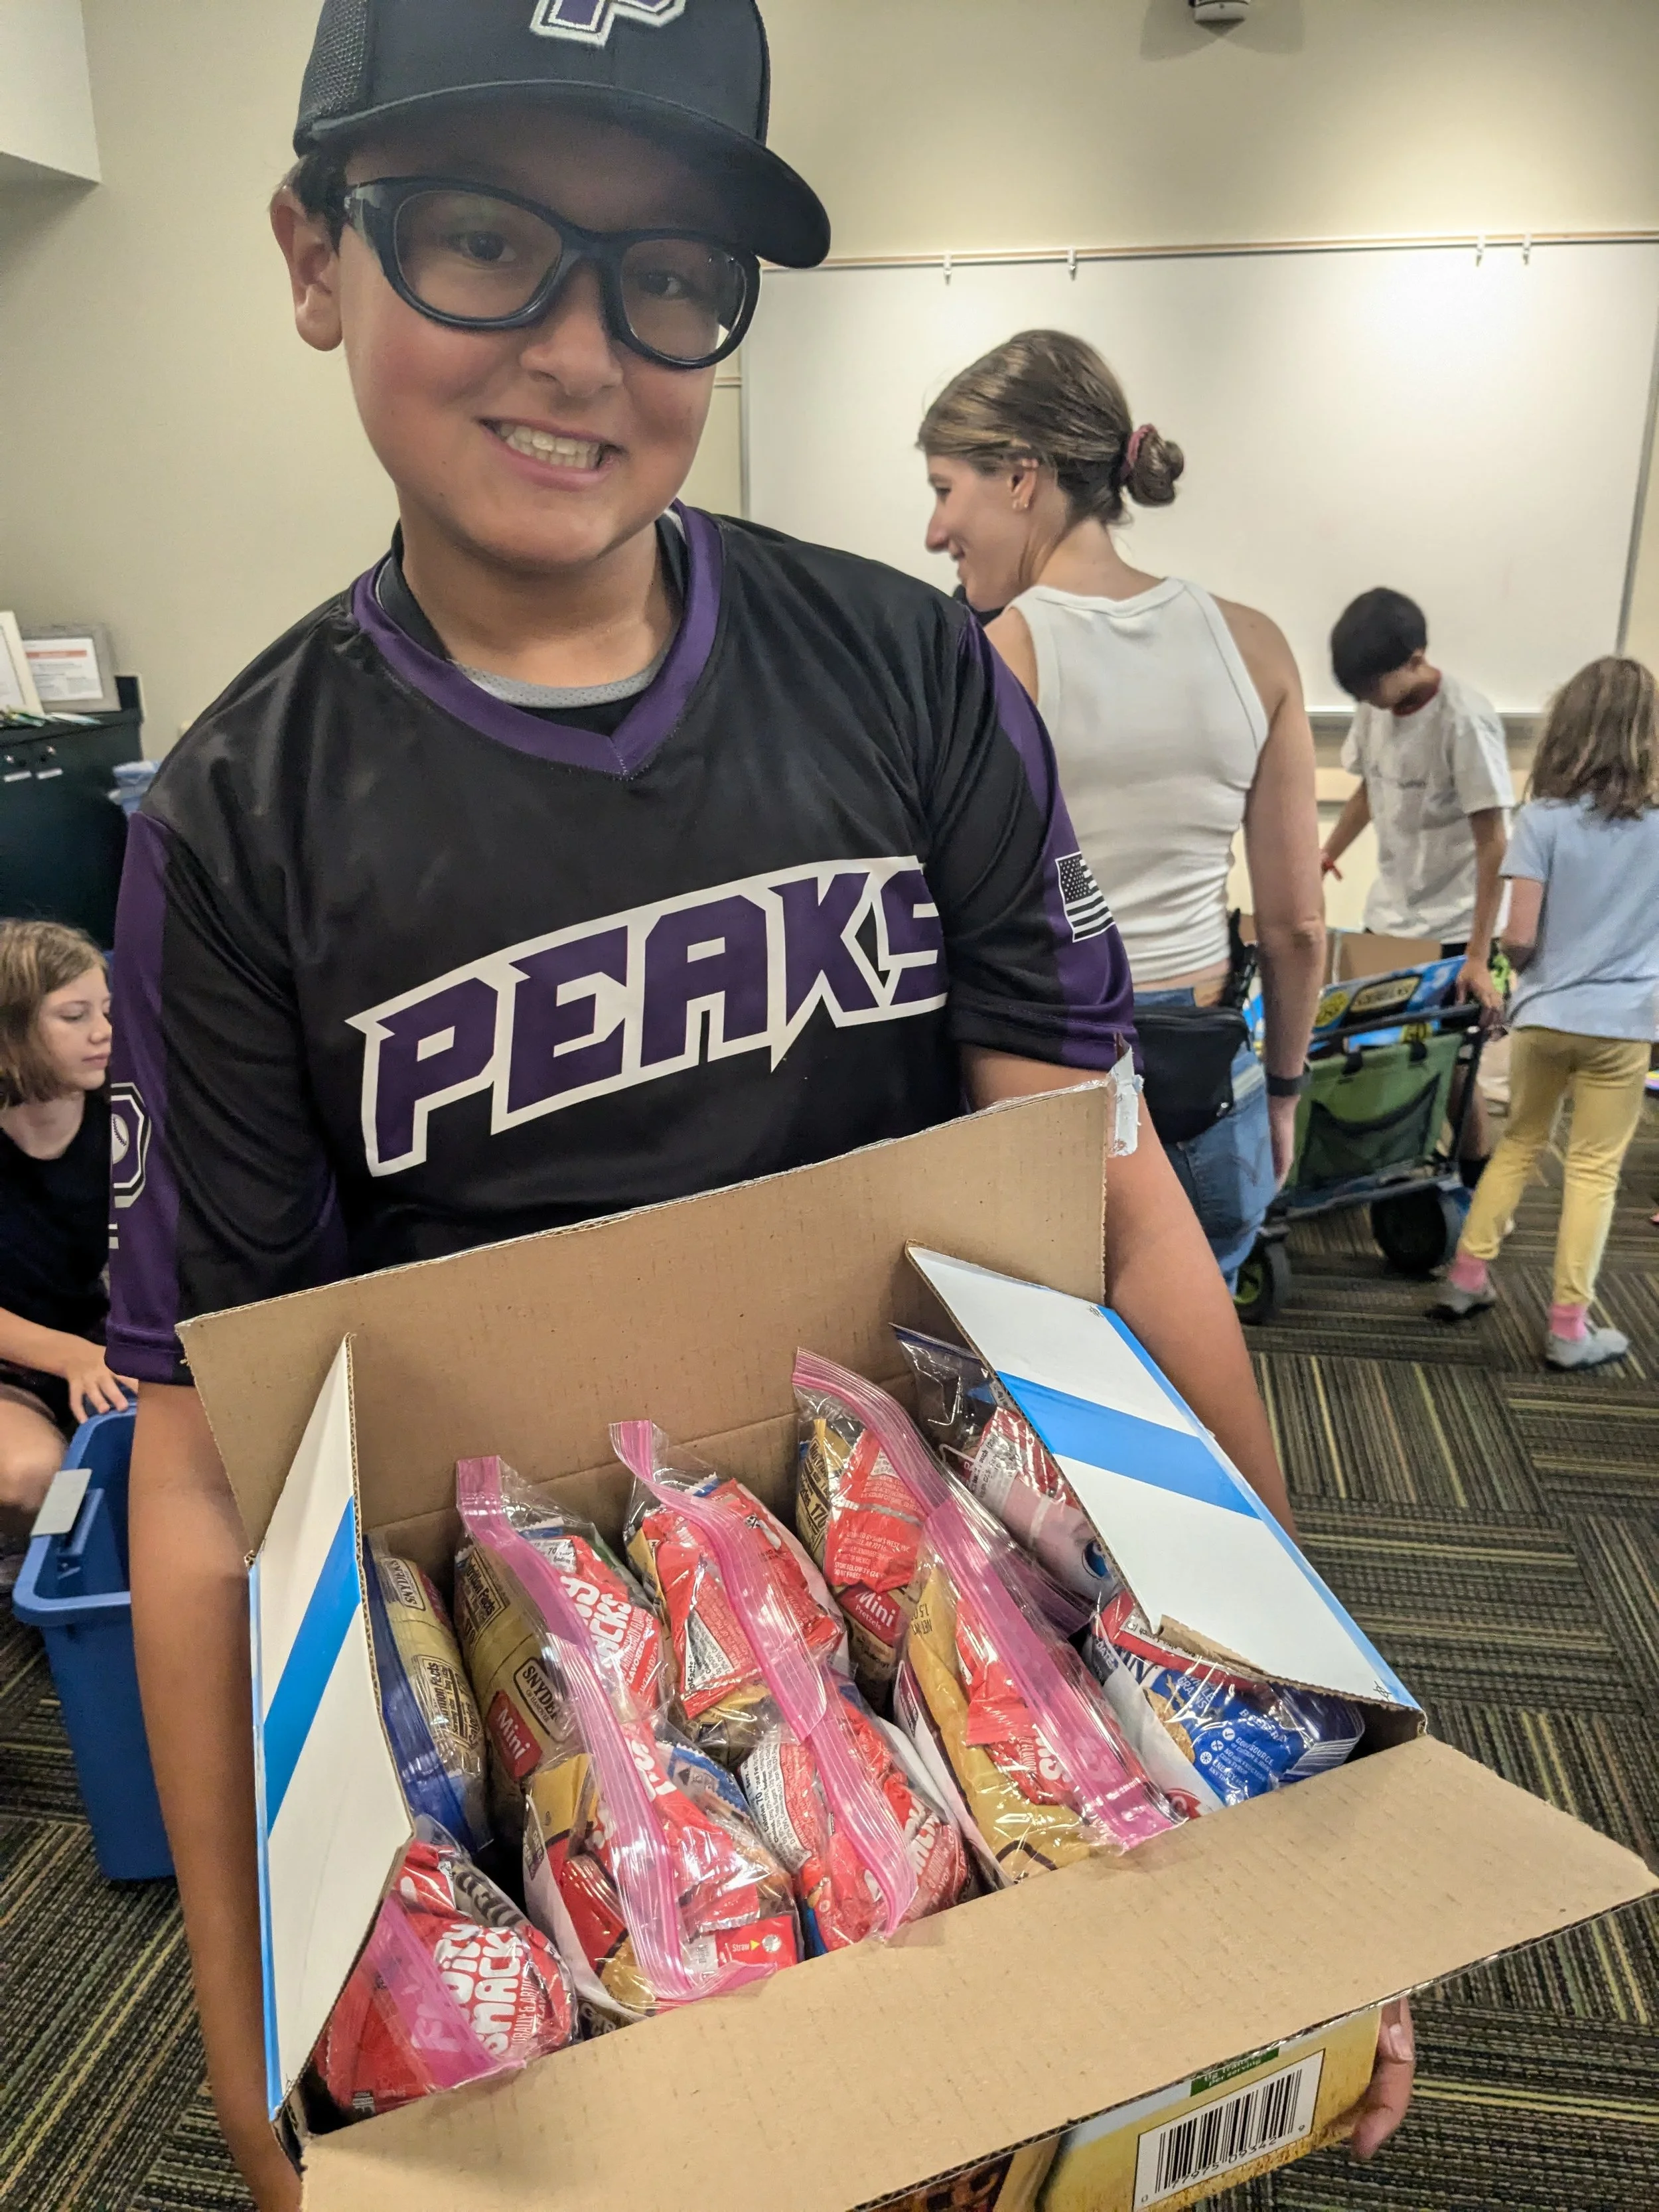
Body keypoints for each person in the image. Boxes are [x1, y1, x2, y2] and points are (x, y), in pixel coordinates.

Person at [105, 7, 1409, 2201]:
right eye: (483, 239)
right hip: (555, 1717)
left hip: (965, 1653)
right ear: (314, 255)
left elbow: (1114, 1230)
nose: (584, 348)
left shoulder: (900, 677)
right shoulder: (242, 822)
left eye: (672, 271)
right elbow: (205, 1464)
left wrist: (1326, 1820)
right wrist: (252, 2063)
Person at [919, 331, 1326, 1288]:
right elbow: (1299, 924)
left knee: (1056, 1410)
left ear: (1022, 478)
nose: (937, 531)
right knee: (1199, 1384)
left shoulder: (990, 661)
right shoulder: (1256, 644)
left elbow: (942, 921)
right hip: (1208, 1075)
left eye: (945, 490)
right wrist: (1283, 1093)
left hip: (1049, 1095)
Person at [1432, 657, 1659, 1366]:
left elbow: (1519, 936)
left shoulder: (1542, 818)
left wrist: (1536, 976)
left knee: (1522, 1142)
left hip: (1544, 1016)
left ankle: (1466, 1277)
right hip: (1623, 1026)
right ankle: (1568, 1328)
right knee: (1592, 1171)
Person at [1324, 587, 1512, 1179]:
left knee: (1453, 1060)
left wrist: (1478, 957)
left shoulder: (1465, 720)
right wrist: (1326, 851)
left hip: (1456, 926)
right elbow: (1369, 788)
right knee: (1374, 1044)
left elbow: (1494, 844)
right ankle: (1389, 1159)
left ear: (1415, 659)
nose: (1369, 701)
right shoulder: (1374, 708)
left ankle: (1475, 1182)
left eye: (1374, 686)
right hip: (1392, 914)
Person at [0, 921, 132, 1580]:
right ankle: (43, 1567)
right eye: (75, 1016)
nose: (103, 1031)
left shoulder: (127, 1113)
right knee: (34, 1478)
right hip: (13, 1359)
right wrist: (68, 1356)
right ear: (10, 1031)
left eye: (107, 1010)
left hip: (101, 1333)